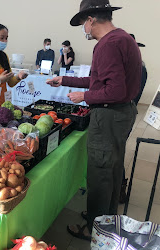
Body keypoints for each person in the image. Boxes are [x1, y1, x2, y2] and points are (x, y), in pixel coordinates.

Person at [47, 0, 141, 241]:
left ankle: (94, 230)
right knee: (112, 168)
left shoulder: (108, 45)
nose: (83, 29)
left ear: (90, 20)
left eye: (82, 23)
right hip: (122, 114)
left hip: (109, 115)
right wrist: (65, 80)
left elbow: (115, 91)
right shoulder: (122, 38)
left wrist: (85, 97)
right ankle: (106, 220)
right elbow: (99, 81)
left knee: (100, 173)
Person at [119, 33, 147, 203]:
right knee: (118, 150)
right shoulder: (137, 66)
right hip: (127, 111)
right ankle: (120, 189)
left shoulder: (138, 68)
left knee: (117, 151)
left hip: (124, 113)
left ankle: (120, 190)